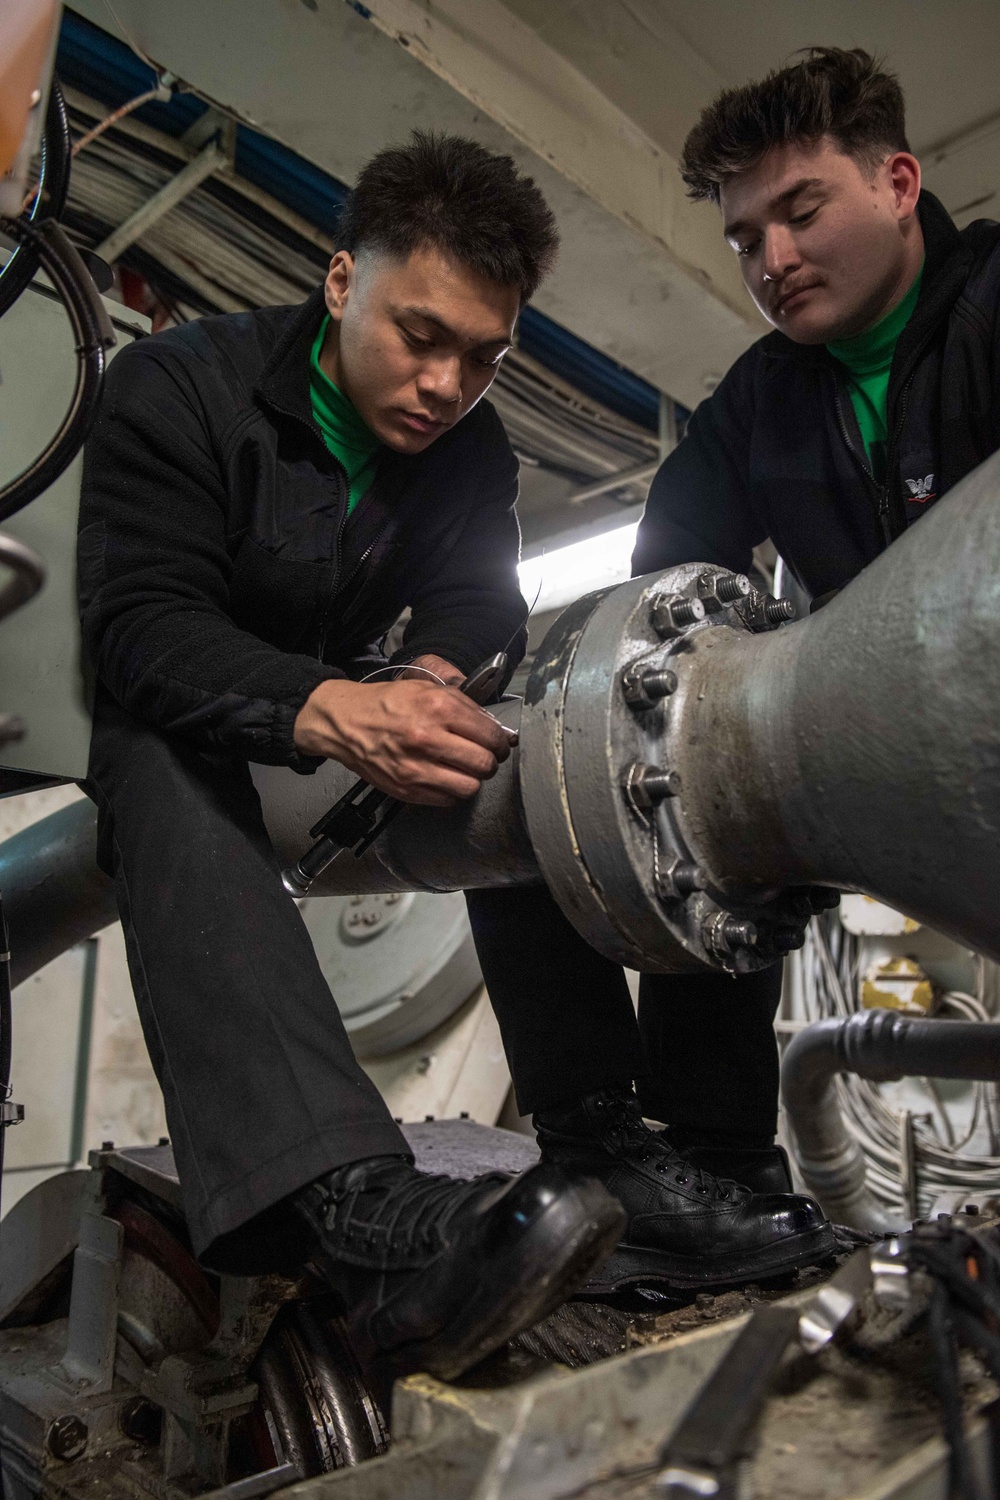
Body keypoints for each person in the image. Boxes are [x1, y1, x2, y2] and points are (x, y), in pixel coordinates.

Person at [78, 131, 626, 1393]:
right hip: (203, 721)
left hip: (331, 735)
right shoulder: (178, 385)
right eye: (418, 335)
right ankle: (355, 1211)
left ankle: (607, 1149)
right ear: (339, 283)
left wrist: (435, 675)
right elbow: (140, 632)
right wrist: (329, 706)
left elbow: (482, 602)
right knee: (154, 753)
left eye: (482, 358)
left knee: (524, 751)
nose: (444, 385)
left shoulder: (471, 453)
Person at [470, 45, 1000, 1290]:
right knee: (665, 753)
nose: (772, 260)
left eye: (800, 211)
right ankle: (690, 1164)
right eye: (744, 238)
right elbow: (645, 627)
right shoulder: (758, 404)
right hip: (912, 753)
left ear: (901, 182)